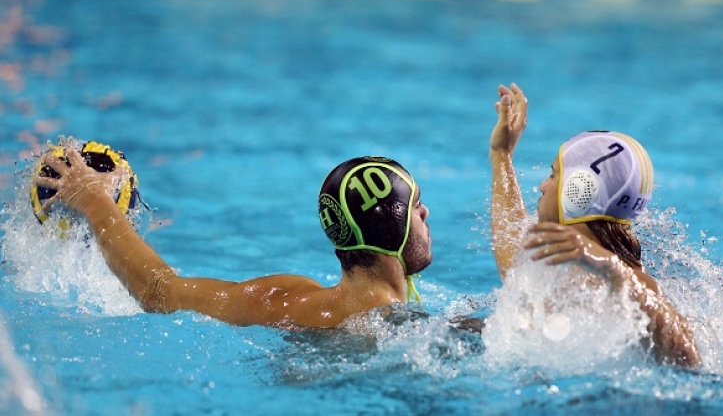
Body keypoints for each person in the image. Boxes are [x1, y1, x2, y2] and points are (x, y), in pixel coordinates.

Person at [34, 151, 431, 329]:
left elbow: (158, 291)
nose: (425, 214)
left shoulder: (290, 299)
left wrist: (94, 201)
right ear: (391, 228)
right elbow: (497, 324)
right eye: (415, 206)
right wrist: (497, 157)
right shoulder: (400, 328)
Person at [488, 82, 701, 368]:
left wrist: (609, 266)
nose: (542, 186)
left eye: (553, 175)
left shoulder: (630, 281)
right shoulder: (562, 265)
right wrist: (501, 155)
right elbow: (515, 264)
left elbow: (688, 359)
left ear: (581, 189)